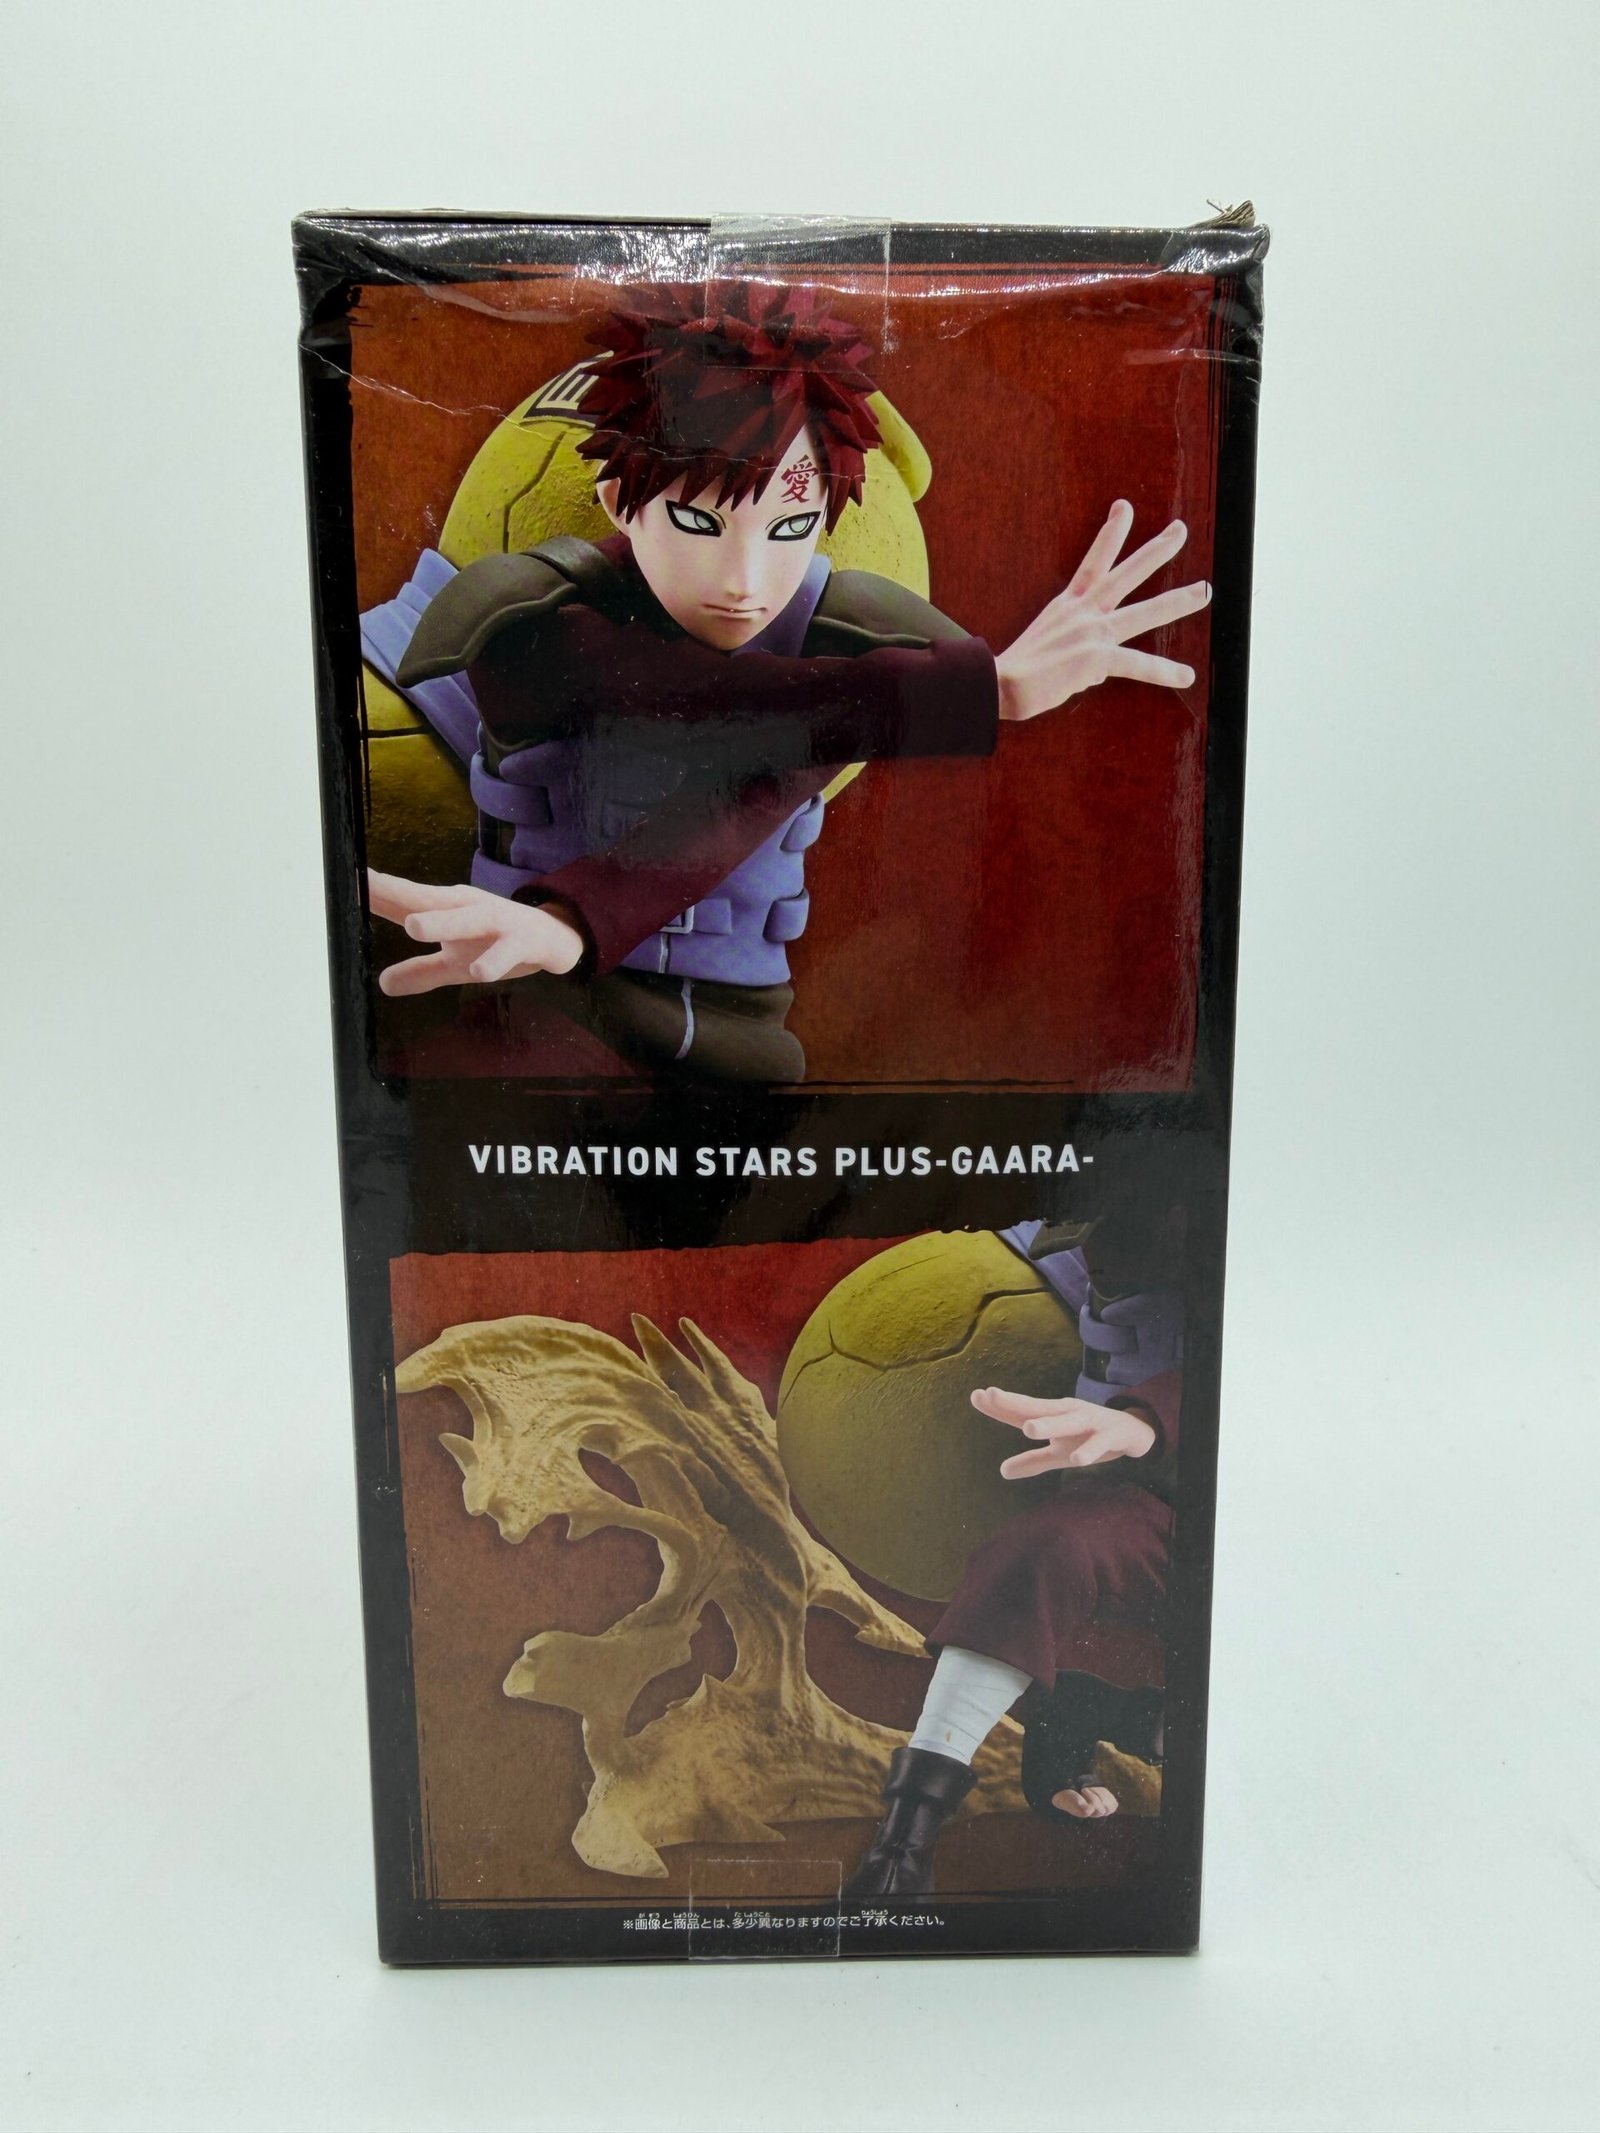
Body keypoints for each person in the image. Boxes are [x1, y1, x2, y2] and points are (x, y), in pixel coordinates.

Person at [366, 281, 1211, 1078]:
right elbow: (718, 710)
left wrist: (994, 676)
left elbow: (754, 781)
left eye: (790, 526)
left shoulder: (833, 632)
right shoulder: (534, 616)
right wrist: (989, 689)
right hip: (539, 1002)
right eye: (697, 520)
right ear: (622, 499)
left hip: (739, 1028)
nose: (744, 582)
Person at [844, 1218, 1183, 1898]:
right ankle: (903, 1843)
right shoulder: (1091, 1224)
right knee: (1038, 1554)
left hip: (1250, 1497)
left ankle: (1090, 1714)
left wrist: (1152, 1418)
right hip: (1131, 1491)